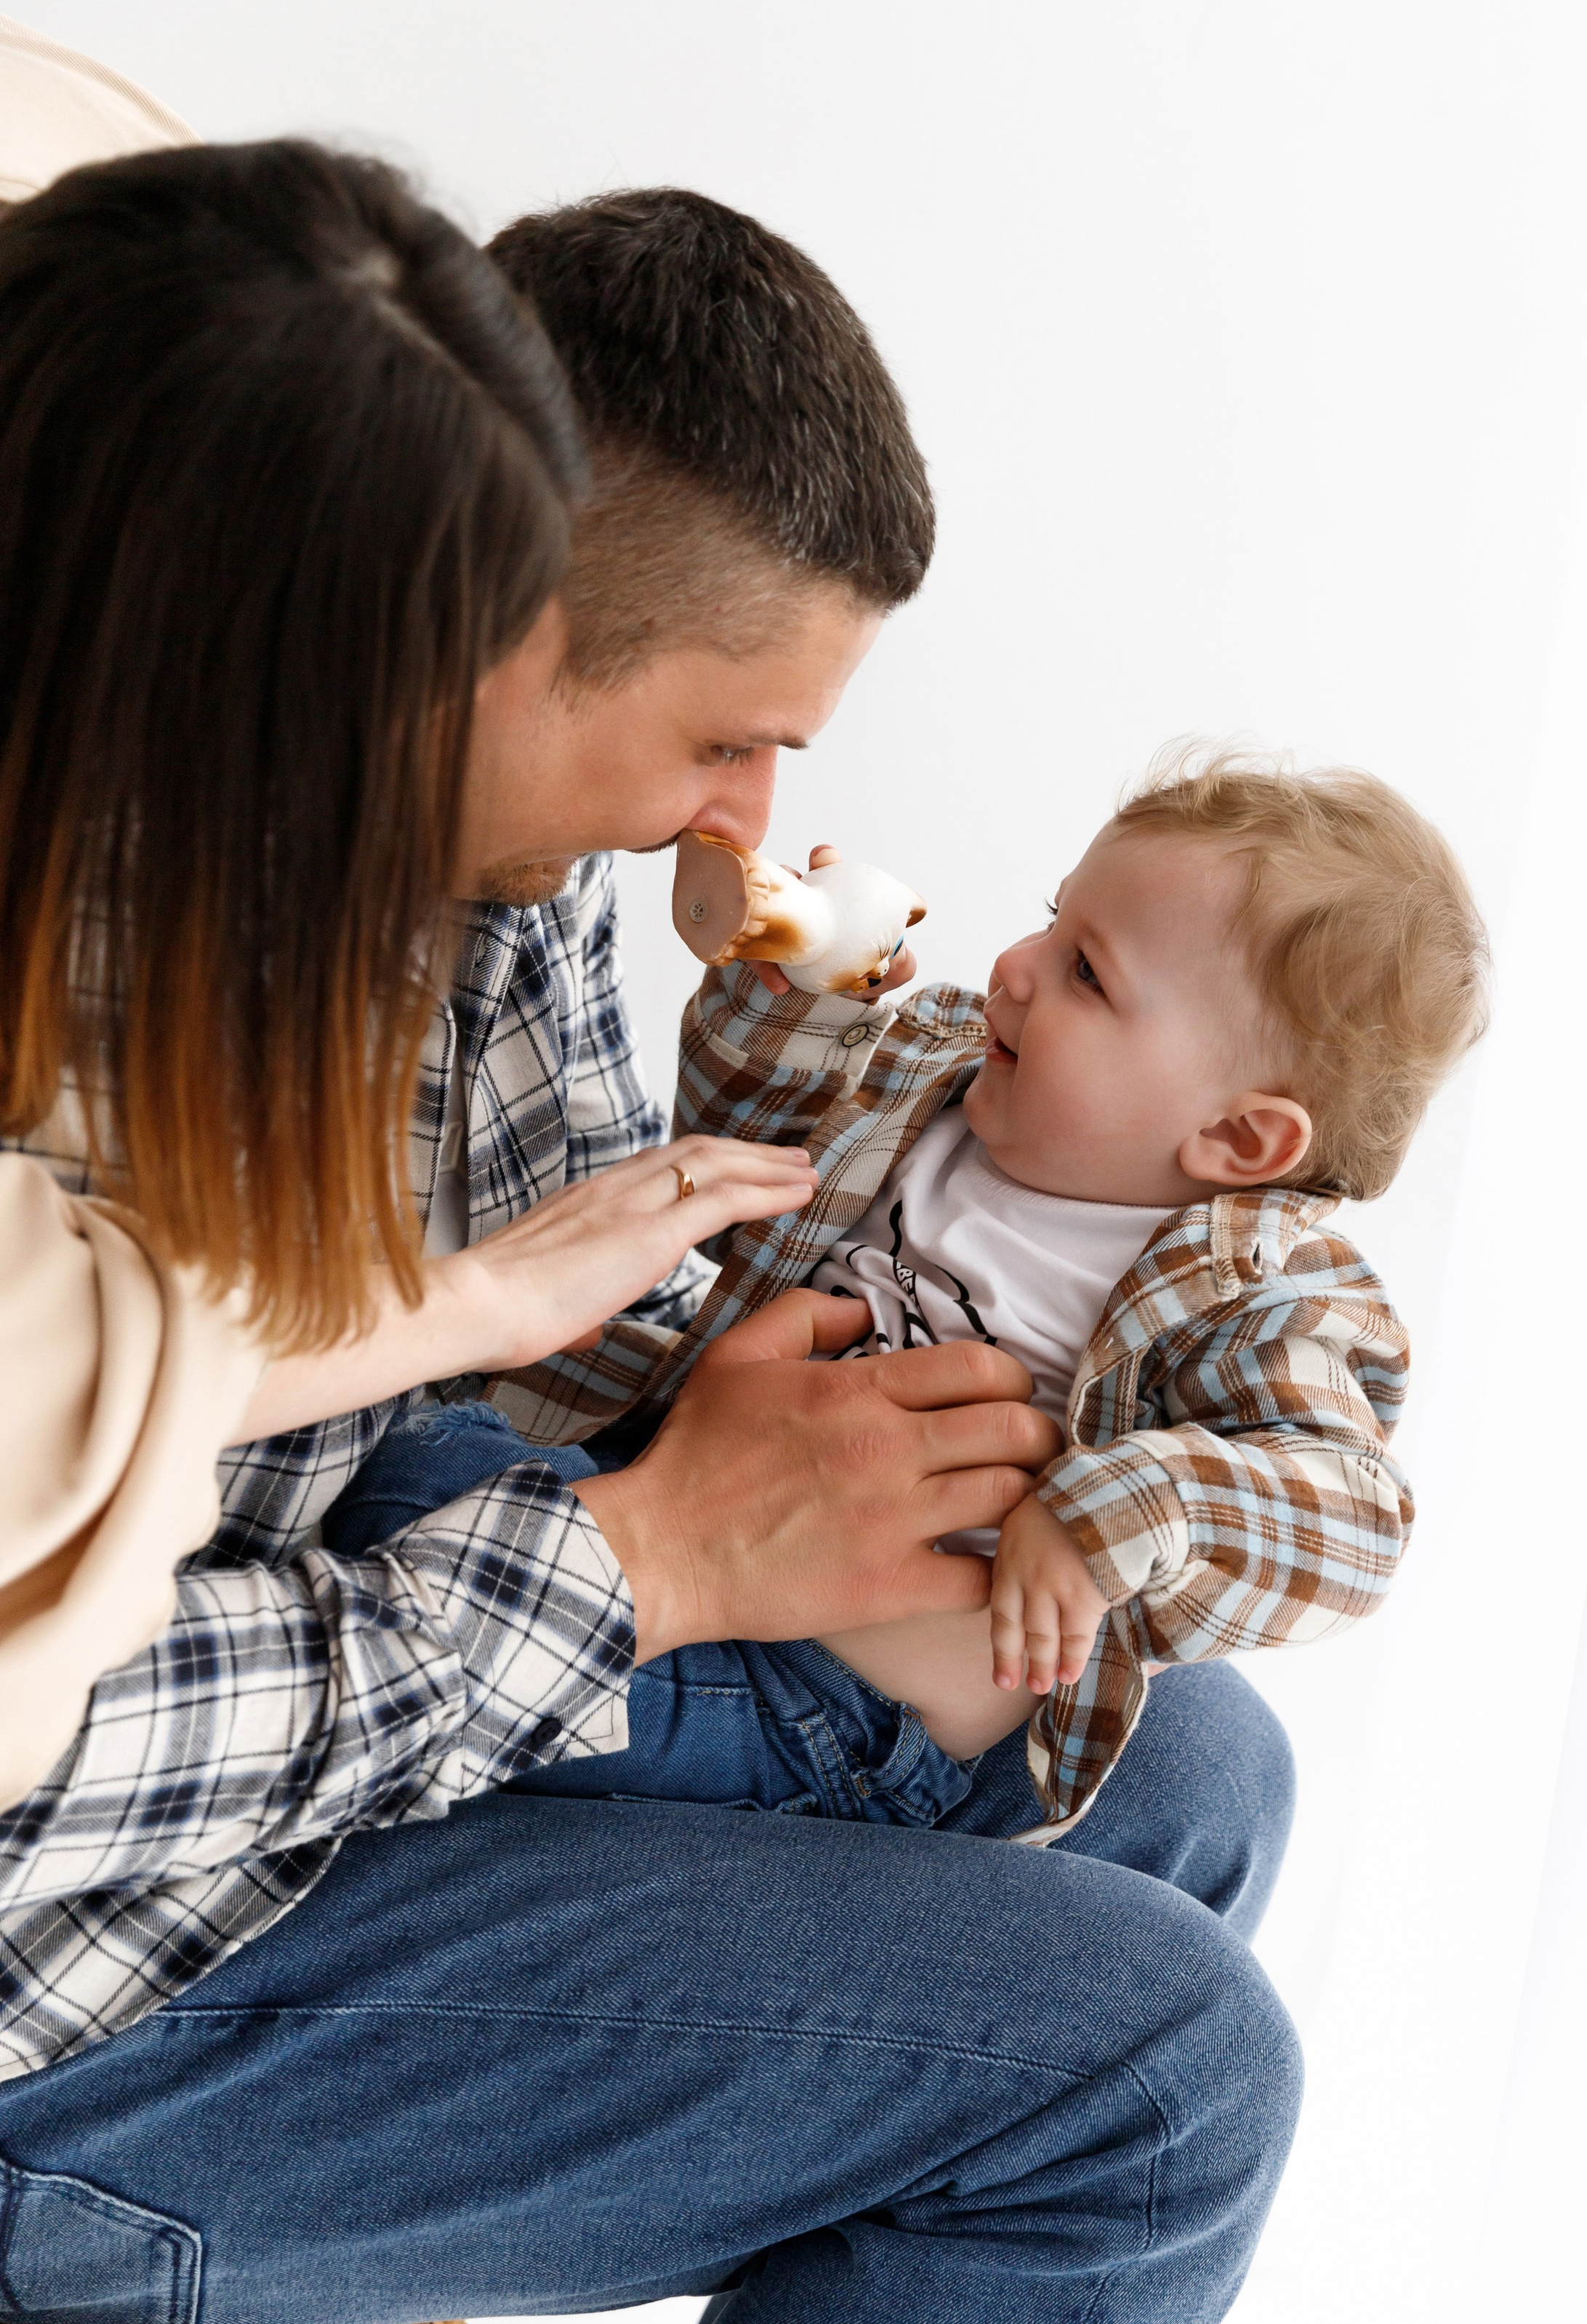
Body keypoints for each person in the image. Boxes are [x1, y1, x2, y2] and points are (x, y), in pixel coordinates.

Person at [0, 157, 1300, 2324]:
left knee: (1166, 1753)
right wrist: (648, 1564)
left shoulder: (484, 878)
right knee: (1154, 2087)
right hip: (64, 1980)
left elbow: (537, 1310)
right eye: (730, 739)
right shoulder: (89, 975)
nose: (752, 823)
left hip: (298, 1761)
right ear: (494, 623)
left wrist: (942, 1360)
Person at [336, 758, 1487, 1843]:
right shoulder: (936, 1075)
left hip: (829, 1709)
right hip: (680, 1504)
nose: (1015, 966)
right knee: (423, 1461)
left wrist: (1106, 1520)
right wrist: (788, 1004)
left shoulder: (1260, 1293)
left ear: (1237, 1137)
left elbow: (1353, 1516)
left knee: (408, 1513)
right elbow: (740, 1154)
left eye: (1087, 972)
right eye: (1051, 916)